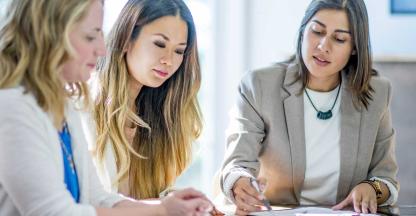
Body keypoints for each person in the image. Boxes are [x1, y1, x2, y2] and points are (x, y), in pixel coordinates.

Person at [0, 0, 211, 215]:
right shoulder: (12, 107)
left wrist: (168, 206)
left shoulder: (61, 106)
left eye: (179, 51)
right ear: (50, 34)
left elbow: (97, 197)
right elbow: (56, 212)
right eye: (90, 36)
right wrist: (161, 211)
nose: (102, 49)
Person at [219, 0, 399, 215]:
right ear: (303, 31)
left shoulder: (377, 93)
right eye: (317, 31)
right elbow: (236, 164)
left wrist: (372, 188)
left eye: (339, 39)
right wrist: (240, 181)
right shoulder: (258, 85)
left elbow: (385, 178)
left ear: (354, 48)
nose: (323, 46)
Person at [91, 0, 203, 200]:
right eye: (160, 44)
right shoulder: (88, 105)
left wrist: (172, 199)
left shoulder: (159, 113)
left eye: (179, 51)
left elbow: (142, 197)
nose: (168, 60)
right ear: (126, 39)